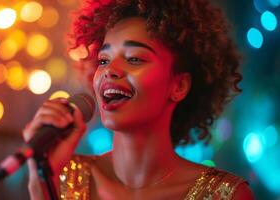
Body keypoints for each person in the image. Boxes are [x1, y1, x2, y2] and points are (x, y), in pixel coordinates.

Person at [23, 0, 254, 199]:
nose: (109, 70)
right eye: (103, 60)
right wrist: (41, 184)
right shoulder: (59, 176)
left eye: (134, 59)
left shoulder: (227, 195)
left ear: (179, 85)